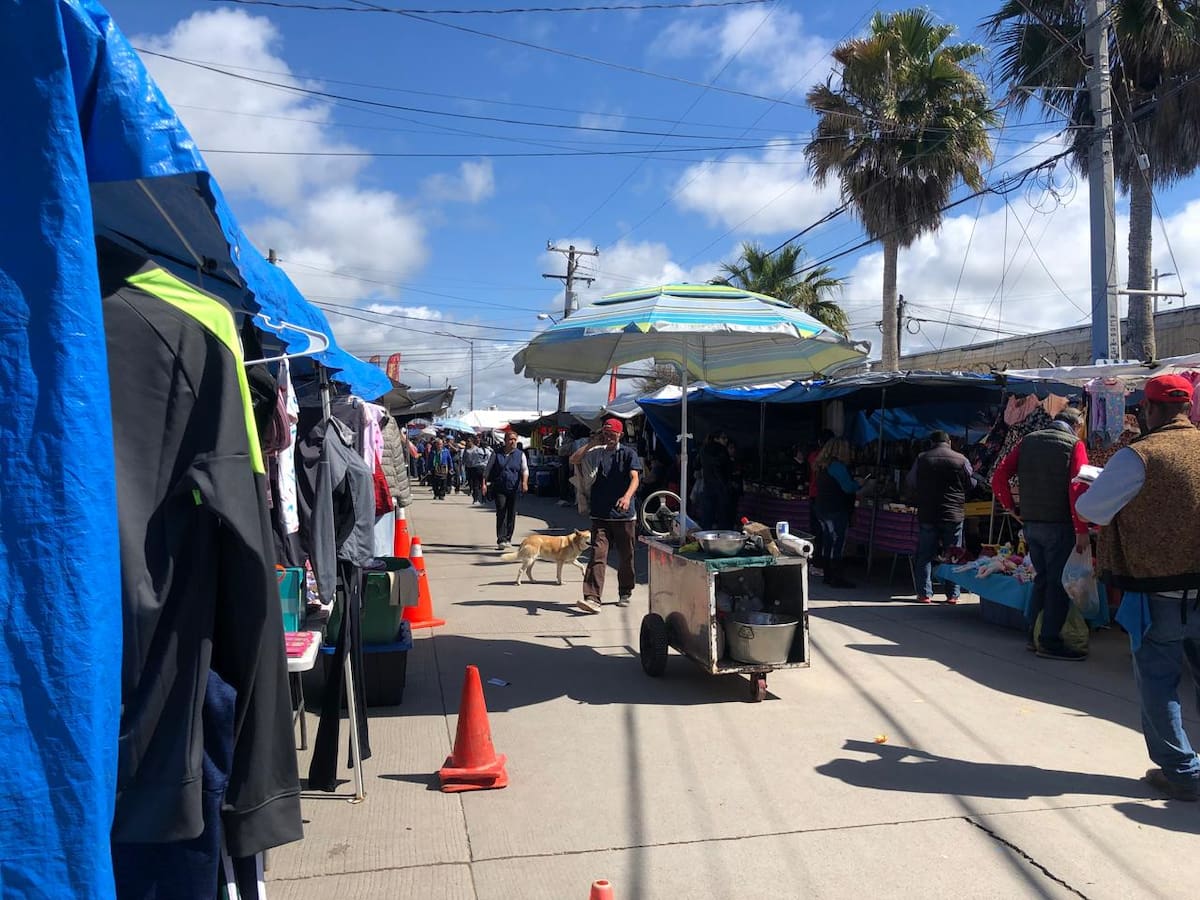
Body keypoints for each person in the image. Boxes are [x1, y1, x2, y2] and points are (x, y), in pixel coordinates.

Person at [1076, 374, 1200, 801]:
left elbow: (1091, 508)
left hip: (1159, 590)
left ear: (1150, 410)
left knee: (1159, 682)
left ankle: (1183, 773)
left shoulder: (1138, 456)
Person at [992, 407, 1090, 661]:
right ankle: (1049, 641)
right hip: (1060, 524)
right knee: (1057, 584)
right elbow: (1078, 487)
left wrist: (1011, 508)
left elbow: (999, 475)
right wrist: (1082, 529)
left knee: (1042, 580)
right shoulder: (1074, 444)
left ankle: (1032, 636)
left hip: (1032, 524)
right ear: (1077, 424)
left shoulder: (1028, 441)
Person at [572, 418, 642, 614]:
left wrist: (627, 497)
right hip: (600, 514)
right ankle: (592, 598)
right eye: (606, 434)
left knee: (626, 556)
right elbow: (574, 460)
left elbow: (635, 478)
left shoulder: (628, 454)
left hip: (624, 516)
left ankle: (625, 591)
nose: (609, 437)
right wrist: (593, 443)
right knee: (597, 555)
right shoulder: (596, 453)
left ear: (620, 434)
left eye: (612, 434)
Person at [906, 430, 975, 604]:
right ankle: (952, 594)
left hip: (928, 513)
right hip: (953, 513)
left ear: (931, 443)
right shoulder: (961, 459)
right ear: (949, 442)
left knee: (925, 554)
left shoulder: (922, 458)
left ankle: (924, 594)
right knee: (953, 554)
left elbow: (911, 481)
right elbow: (971, 482)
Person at [813, 437, 866, 589]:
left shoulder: (823, 465)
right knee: (837, 541)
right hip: (835, 508)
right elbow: (848, 488)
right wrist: (859, 483)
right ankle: (836, 577)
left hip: (822, 507)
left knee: (828, 540)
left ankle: (828, 575)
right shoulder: (837, 466)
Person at [483, 428, 528, 550]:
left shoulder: (520, 454)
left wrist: (524, 483)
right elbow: (487, 469)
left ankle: (508, 537)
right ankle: (501, 539)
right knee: (501, 511)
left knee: (511, 513)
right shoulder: (496, 453)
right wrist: (484, 484)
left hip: (514, 488)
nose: (512, 442)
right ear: (505, 441)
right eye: (510, 439)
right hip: (500, 488)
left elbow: (525, 470)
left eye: (514, 439)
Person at [804, 430, 834, 576]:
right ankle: (818, 563)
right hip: (822, 497)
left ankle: (814, 561)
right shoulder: (828, 460)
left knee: (816, 531)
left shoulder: (813, 456)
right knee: (822, 532)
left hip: (813, 495)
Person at [698, 430, 733, 530]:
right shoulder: (722, 450)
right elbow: (727, 469)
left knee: (707, 516)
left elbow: (696, 465)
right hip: (721, 487)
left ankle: (704, 537)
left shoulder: (703, 449)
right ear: (716, 438)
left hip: (708, 486)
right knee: (723, 516)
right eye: (723, 438)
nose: (726, 440)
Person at [463, 436, 488, 505]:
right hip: (481, 468)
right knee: (481, 485)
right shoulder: (488, 451)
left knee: (477, 485)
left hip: (476, 468)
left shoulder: (476, 450)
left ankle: (478, 499)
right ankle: (481, 499)